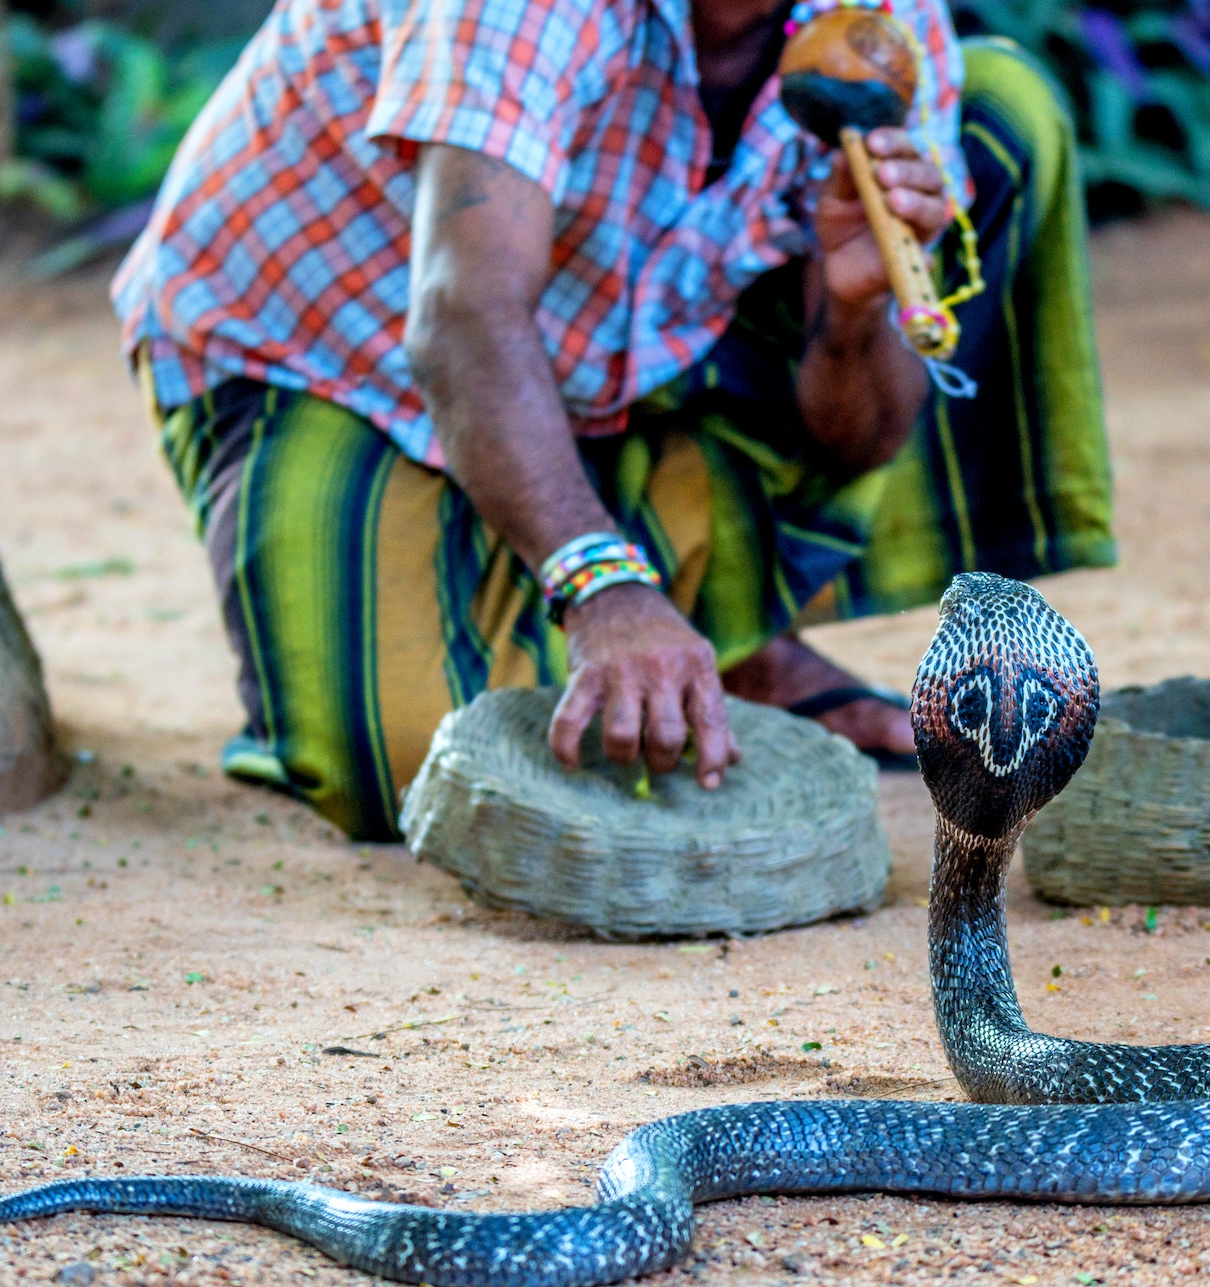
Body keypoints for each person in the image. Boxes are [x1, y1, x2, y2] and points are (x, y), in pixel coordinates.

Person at [114, 0, 1115, 840]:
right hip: (328, 348)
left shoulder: (881, 21)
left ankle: (717, 635)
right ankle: (637, 611)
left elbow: (855, 437)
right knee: (404, 760)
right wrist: (603, 588)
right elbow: (461, 317)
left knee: (1000, 113)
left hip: (613, 356)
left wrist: (850, 311)